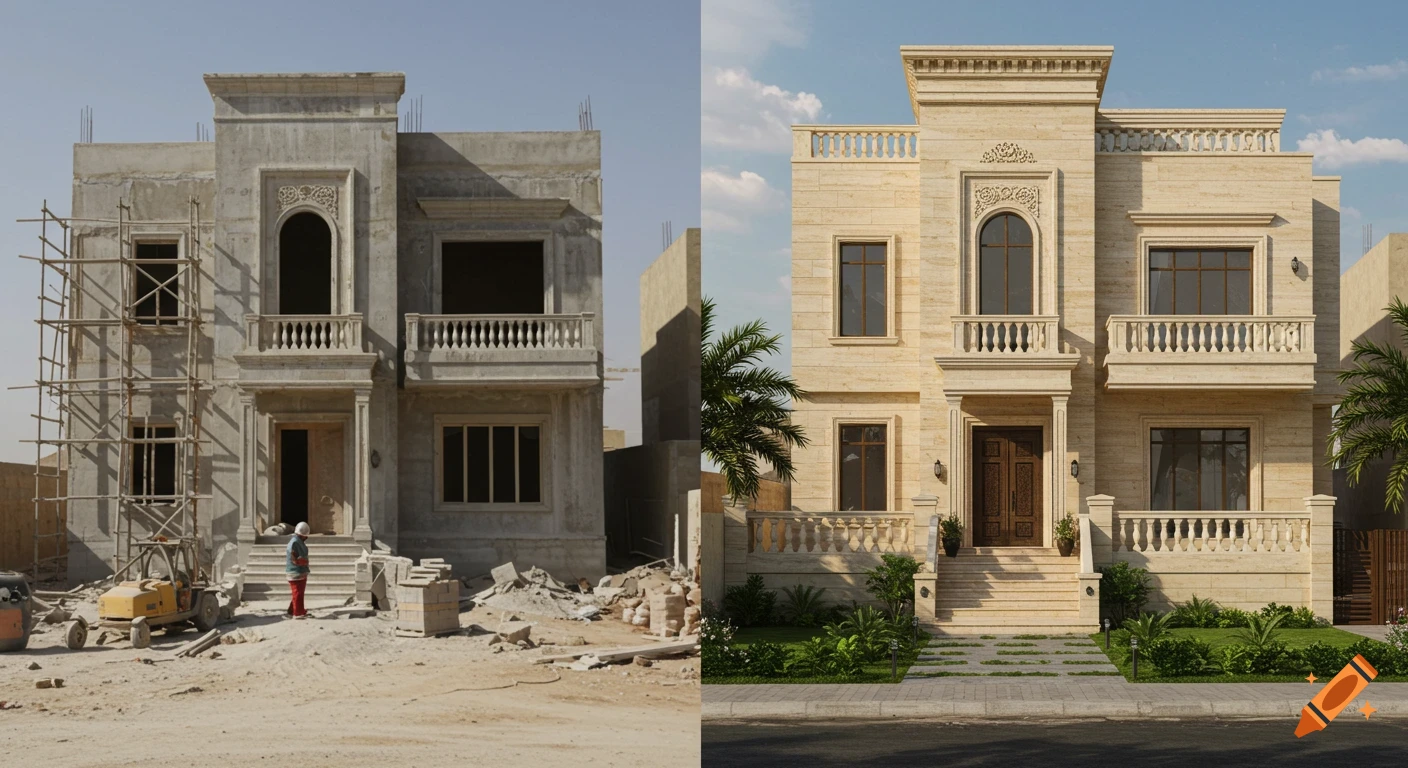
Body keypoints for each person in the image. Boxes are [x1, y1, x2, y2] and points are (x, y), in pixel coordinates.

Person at [286, 522, 311, 619]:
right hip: (295, 572)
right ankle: (298, 613)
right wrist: (302, 562)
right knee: (298, 593)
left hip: (300, 571)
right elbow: (294, 559)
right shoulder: (295, 543)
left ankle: (292, 610)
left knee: (297, 593)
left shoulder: (297, 541)